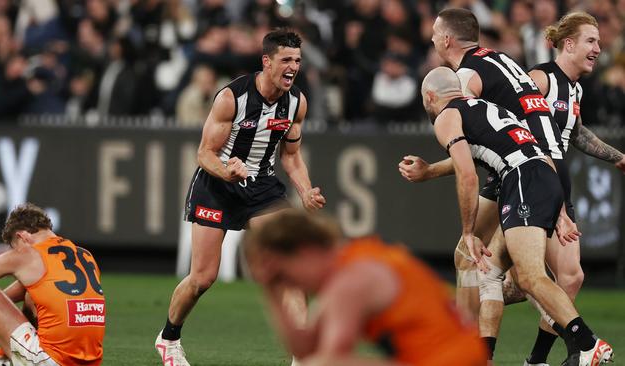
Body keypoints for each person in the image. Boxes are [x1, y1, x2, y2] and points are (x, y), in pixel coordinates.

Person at [397, 8, 575, 361]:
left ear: (447, 39)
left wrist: (429, 170)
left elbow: (469, 154)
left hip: (520, 170)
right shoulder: (499, 59)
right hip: (547, 163)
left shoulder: (465, 76)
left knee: (492, 260)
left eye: (435, 33)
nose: (431, 39)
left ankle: (470, 345)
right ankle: (537, 347)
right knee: (552, 272)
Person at [421, 66, 613, 366]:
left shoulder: (447, 116)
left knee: (530, 276)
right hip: (541, 175)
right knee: (491, 273)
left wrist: (469, 232)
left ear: (431, 96)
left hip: (522, 180)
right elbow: (532, 148)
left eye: (425, 102)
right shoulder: (486, 108)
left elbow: (467, 175)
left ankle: (588, 343)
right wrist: (560, 209)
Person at [155, 29, 326, 366]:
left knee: (291, 265)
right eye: (286, 60)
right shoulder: (231, 97)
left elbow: (291, 157)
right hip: (216, 186)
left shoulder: (297, 103)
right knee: (203, 277)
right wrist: (226, 172)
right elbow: (204, 153)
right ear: (267, 61)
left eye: (298, 61)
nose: (293, 67)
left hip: (261, 188)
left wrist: (306, 191)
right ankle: (168, 338)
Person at [514, 12, 625, 366]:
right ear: (569, 43)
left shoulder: (574, 88)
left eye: (598, 41)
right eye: (591, 41)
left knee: (571, 277)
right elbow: (511, 128)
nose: (598, 47)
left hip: (557, 187)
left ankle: (536, 360)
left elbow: (575, 133)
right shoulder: (540, 78)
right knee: (521, 281)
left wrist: (616, 156)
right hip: (529, 184)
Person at [244, 209, 487, 366]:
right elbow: (305, 347)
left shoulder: (351, 279)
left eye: (286, 275)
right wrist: (271, 290)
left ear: (306, 252)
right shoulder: (353, 262)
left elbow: (329, 358)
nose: (292, 285)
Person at [0, 203, 105, 366]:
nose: (16, 251)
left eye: (15, 246)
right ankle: (3, 358)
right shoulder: (84, 254)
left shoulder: (28, 255)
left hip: (49, 361)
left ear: (22, 237)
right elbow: (31, 286)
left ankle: (4, 361)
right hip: (89, 362)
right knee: (32, 295)